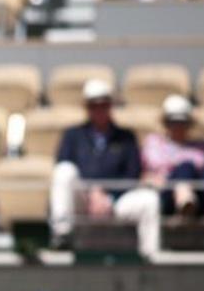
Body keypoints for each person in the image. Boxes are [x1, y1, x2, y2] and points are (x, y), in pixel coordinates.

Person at [50, 80, 161, 256]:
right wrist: (91, 193)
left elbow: (132, 174)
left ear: (110, 105)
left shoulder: (126, 137)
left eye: (103, 104)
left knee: (149, 200)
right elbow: (63, 163)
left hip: (115, 202)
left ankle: (150, 258)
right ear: (86, 107)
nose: (99, 109)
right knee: (64, 171)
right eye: (94, 105)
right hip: (83, 201)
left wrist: (109, 197)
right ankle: (62, 234)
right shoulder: (72, 135)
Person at [142, 95, 204, 221]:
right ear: (166, 123)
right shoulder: (154, 143)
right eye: (173, 122)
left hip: (203, 196)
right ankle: (184, 199)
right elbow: (145, 173)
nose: (178, 127)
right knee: (186, 167)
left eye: (182, 122)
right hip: (168, 194)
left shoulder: (202, 146)